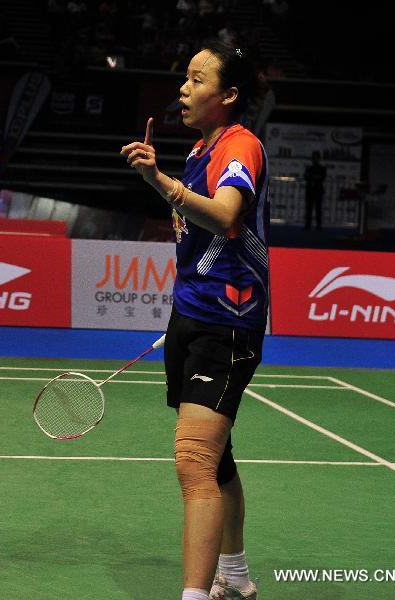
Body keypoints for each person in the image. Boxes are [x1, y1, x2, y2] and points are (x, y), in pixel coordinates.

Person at [121, 41, 268, 600]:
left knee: (194, 461)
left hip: (227, 322)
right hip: (193, 316)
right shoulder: (197, 152)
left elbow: (228, 215)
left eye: (198, 79)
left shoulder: (240, 146)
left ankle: (195, 595)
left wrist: (162, 184)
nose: (184, 88)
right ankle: (235, 577)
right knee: (217, 455)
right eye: (184, 78)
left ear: (228, 95)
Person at [303, 150, 326, 230]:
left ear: (319, 159)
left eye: (317, 158)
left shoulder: (322, 168)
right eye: (314, 158)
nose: (315, 159)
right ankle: (307, 225)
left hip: (318, 191)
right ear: (312, 159)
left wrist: (312, 177)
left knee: (318, 209)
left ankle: (319, 226)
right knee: (308, 209)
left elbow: (322, 177)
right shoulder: (309, 168)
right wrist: (314, 177)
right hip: (309, 191)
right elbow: (305, 177)